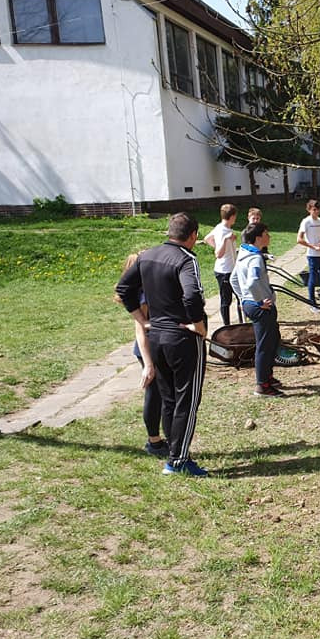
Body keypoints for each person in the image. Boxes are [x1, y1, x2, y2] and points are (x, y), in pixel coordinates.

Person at [115, 212, 209, 476]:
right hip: (182, 339)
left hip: (156, 337)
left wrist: (142, 320)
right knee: (187, 400)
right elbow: (192, 295)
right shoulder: (186, 259)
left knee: (169, 399)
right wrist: (199, 326)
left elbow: (123, 289)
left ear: (169, 232)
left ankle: (174, 453)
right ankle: (178, 461)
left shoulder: (147, 256)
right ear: (193, 235)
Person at [114, 253, 166, 457]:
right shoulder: (143, 294)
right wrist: (148, 365)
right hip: (147, 350)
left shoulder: (148, 289)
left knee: (161, 394)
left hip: (156, 347)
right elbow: (140, 331)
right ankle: (154, 442)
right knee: (154, 395)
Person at [231, 222, 285, 398]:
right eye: (266, 233)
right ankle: (262, 386)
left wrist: (243, 298)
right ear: (258, 237)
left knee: (273, 339)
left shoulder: (243, 254)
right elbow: (253, 282)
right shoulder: (255, 258)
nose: (269, 236)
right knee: (264, 346)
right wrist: (259, 301)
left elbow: (233, 279)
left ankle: (267, 376)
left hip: (250, 304)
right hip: (261, 307)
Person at [203, 204, 240, 327]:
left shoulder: (220, 227)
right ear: (232, 216)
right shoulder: (223, 231)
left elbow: (207, 238)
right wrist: (224, 241)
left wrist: (217, 245)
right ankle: (226, 326)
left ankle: (241, 321)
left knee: (239, 296)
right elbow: (218, 254)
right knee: (226, 300)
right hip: (224, 270)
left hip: (232, 268)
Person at [297, 199, 320, 312]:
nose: (316, 212)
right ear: (309, 210)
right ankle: (312, 303)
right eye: (314, 210)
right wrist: (313, 247)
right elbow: (299, 239)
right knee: (313, 278)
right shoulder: (306, 222)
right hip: (312, 255)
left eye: (318, 209)